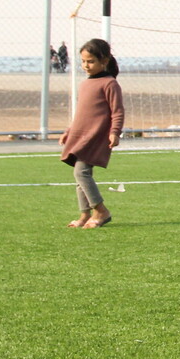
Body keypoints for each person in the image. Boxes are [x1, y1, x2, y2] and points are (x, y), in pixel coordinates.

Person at [59, 37, 125, 229]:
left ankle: (101, 210)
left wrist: (115, 132)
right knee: (79, 174)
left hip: (96, 135)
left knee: (82, 172)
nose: (86, 65)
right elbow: (82, 112)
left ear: (104, 61)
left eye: (91, 61)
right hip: (80, 134)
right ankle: (85, 214)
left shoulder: (110, 84)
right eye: (83, 61)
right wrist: (69, 131)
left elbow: (117, 111)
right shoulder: (86, 84)